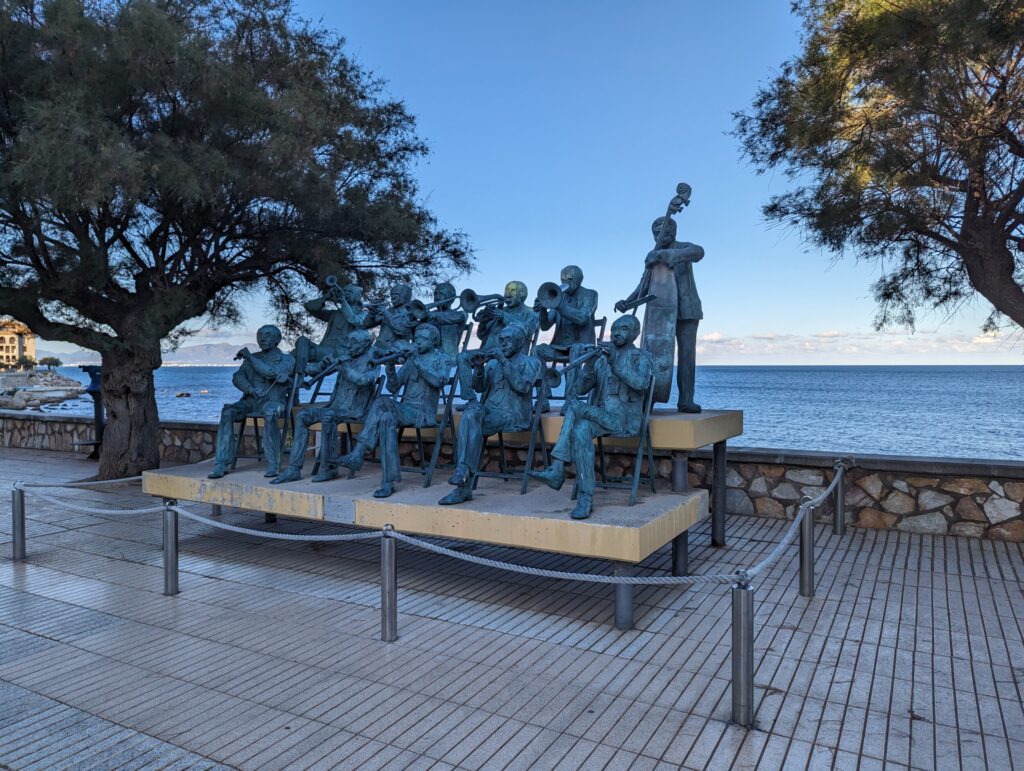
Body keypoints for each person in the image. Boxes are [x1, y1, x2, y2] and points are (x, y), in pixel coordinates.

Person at [529, 315, 653, 520]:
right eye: (613, 329)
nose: (616, 333)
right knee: (580, 429)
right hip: (603, 418)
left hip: (624, 421)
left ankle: (558, 467)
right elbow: (580, 389)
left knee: (575, 408)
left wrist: (615, 363)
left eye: (623, 329)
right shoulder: (602, 360)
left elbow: (641, 384)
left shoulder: (642, 357)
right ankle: (585, 498)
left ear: (635, 333)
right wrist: (589, 365)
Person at [336, 324, 454, 498]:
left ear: (434, 341)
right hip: (406, 410)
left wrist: (416, 360)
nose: (418, 342)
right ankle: (387, 482)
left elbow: (438, 381)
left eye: (423, 339)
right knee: (385, 418)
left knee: (382, 403)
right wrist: (390, 367)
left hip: (423, 413)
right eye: (417, 338)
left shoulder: (441, 358)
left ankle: (358, 454)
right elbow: (393, 387)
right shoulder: (412, 360)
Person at [617, 189, 704, 412]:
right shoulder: (651, 255)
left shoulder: (683, 248)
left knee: (687, 356)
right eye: (656, 234)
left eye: (664, 232)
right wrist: (627, 302)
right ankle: (652, 394)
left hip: (687, 309)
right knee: (654, 353)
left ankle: (686, 399)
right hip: (659, 313)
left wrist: (668, 256)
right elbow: (643, 286)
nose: (660, 237)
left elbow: (699, 251)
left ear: (673, 231)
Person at [440, 323, 540, 505]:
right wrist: (479, 369)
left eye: (507, 340)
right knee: (471, 413)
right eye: (500, 340)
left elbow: (523, 386)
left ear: (519, 342)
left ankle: (463, 487)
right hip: (490, 412)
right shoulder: (493, 363)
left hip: (512, 414)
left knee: (473, 424)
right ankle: (462, 471)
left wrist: (503, 361)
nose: (502, 344)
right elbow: (480, 387)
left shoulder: (531, 362)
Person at [270, 329, 379, 484]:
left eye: (353, 343)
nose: (349, 346)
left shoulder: (373, 358)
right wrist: (322, 364)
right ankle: (294, 469)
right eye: (348, 342)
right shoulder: (346, 357)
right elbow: (312, 370)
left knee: (329, 417)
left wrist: (346, 366)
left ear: (366, 344)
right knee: (302, 415)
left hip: (355, 409)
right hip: (336, 405)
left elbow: (364, 380)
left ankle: (328, 468)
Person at [208, 325, 295, 479]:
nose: (262, 338)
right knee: (228, 412)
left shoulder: (287, 359)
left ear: (278, 339)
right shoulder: (253, 358)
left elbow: (270, 372)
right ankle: (221, 463)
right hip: (251, 401)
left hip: (273, 401)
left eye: (267, 335)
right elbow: (237, 377)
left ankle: (273, 463)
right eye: (259, 335)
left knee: (270, 412)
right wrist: (249, 388)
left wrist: (249, 357)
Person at [457, 280, 538, 404]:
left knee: (493, 363)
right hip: (487, 351)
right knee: (463, 357)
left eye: (512, 291)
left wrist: (503, 316)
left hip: (509, 356)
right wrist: (484, 320)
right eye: (506, 291)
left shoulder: (531, 313)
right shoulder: (499, 310)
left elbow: (527, 331)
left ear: (522, 294)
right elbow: (481, 335)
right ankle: (471, 400)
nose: (507, 295)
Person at [533, 265, 598, 406]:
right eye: (562, 279)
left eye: (569, 279)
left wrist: (559, 306)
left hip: (584, 346)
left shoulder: (590, 294)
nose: (564, 282)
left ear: (578, 279)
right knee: (536, 350)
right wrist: (543, 310)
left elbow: (582, 318)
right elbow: (545, 326)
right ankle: (543, 396)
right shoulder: (559, 297)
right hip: (560, 346)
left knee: (575, 351)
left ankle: (570, 400)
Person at [293, 280, 368, 374]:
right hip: (323, 349)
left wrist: (343, 302)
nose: (346, 294)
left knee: (297, 355)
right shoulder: (335, 314)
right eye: (345, 292)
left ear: (358, 296)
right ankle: (295, 378)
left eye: (350, 292)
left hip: (337, 354)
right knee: (301, 342)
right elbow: (309, 307)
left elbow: (354, 321)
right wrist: (326, 297)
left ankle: (298, 376)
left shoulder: (363, 314)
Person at [367, 283, 417, 356]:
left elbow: (401, 330)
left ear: (404, 296)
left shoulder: (410, 312)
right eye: (391, 296)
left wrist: (385, 312)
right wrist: (371, 314)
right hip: (379, 347)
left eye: (395, 296)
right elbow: (365, 325)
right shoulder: (388, 310)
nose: (392, 299)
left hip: (396, 349)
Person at [424, 281, 468, 357]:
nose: (437, 297)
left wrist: (433, 316)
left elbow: (456, 317)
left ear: (451, 299)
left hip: (449, 357)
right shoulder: (428, 315)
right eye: (435, 294)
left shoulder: (460, 314)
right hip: (429, 356)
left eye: (441, 294)